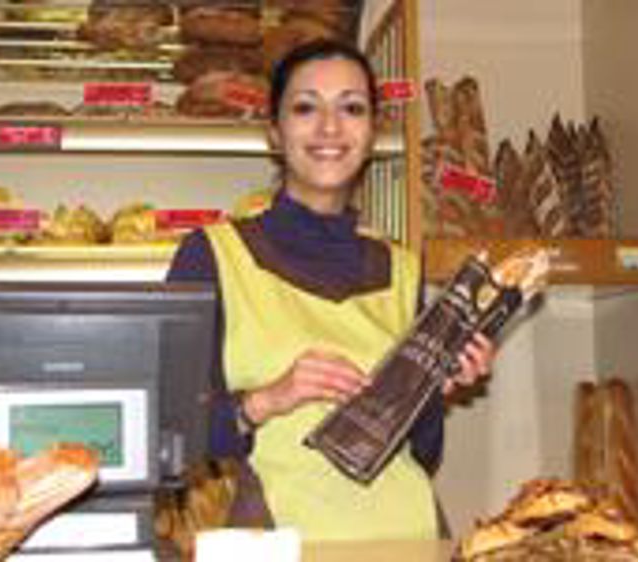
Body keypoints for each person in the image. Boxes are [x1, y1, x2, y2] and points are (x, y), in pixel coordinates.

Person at [167, 39, 495, 541]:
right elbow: (168, 434)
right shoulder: (212, 255)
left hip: (404, 540)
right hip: (272, 541)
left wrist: (439, 389)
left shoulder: (403, 269)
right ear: (275, 132)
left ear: (371, 132)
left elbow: (422, 453)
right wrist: (268, 400)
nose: (329, 127)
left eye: (352, 108)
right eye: (305, 107)